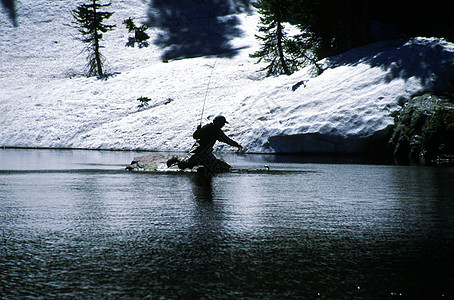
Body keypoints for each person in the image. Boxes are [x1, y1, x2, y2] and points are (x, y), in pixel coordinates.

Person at [167, 115, 243, 173]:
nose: (223, 125)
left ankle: (178, 160)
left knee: (187, 164)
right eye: (223, 123)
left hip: (196, 150)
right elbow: (227, 140)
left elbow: (195, 136)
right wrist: (236, 145)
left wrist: (198, 130)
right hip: (203, 153)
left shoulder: (206, 127)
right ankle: (177, 159)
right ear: (219, 123)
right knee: (224, 167)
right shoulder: (217, 131)